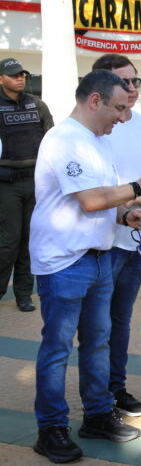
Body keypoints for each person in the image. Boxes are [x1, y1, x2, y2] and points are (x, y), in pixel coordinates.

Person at [30, 70, 141, 464]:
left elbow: (102, 201)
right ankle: (51, 428)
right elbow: (91, 200)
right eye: (119, 108)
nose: (123, 118)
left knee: (98, 342)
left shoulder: (96, 141)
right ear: (95, 101)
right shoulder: (64, 140)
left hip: (97, 255)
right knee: (57, 347)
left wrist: (126, 215)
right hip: (63, 261)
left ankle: (96, 415)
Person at [91, 54, 141, 418]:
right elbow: (93, 191)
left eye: (136, 81)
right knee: (96, 327)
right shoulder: (93, 128)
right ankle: (98, 401)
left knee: (122, 321)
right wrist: (126, 206)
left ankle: (116, 389)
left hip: (138, 242)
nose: (132, 89)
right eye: (124, 82)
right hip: (102, 244)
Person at [0, 57, 54, 312]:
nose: (20, 78)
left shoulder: (38, 105)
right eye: (13, 75)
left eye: (22, 74)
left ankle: (24, 294)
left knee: (29, 241)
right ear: (1, 79)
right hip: (6, 185)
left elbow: (51, 141)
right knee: (9, 240)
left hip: (35, 183)